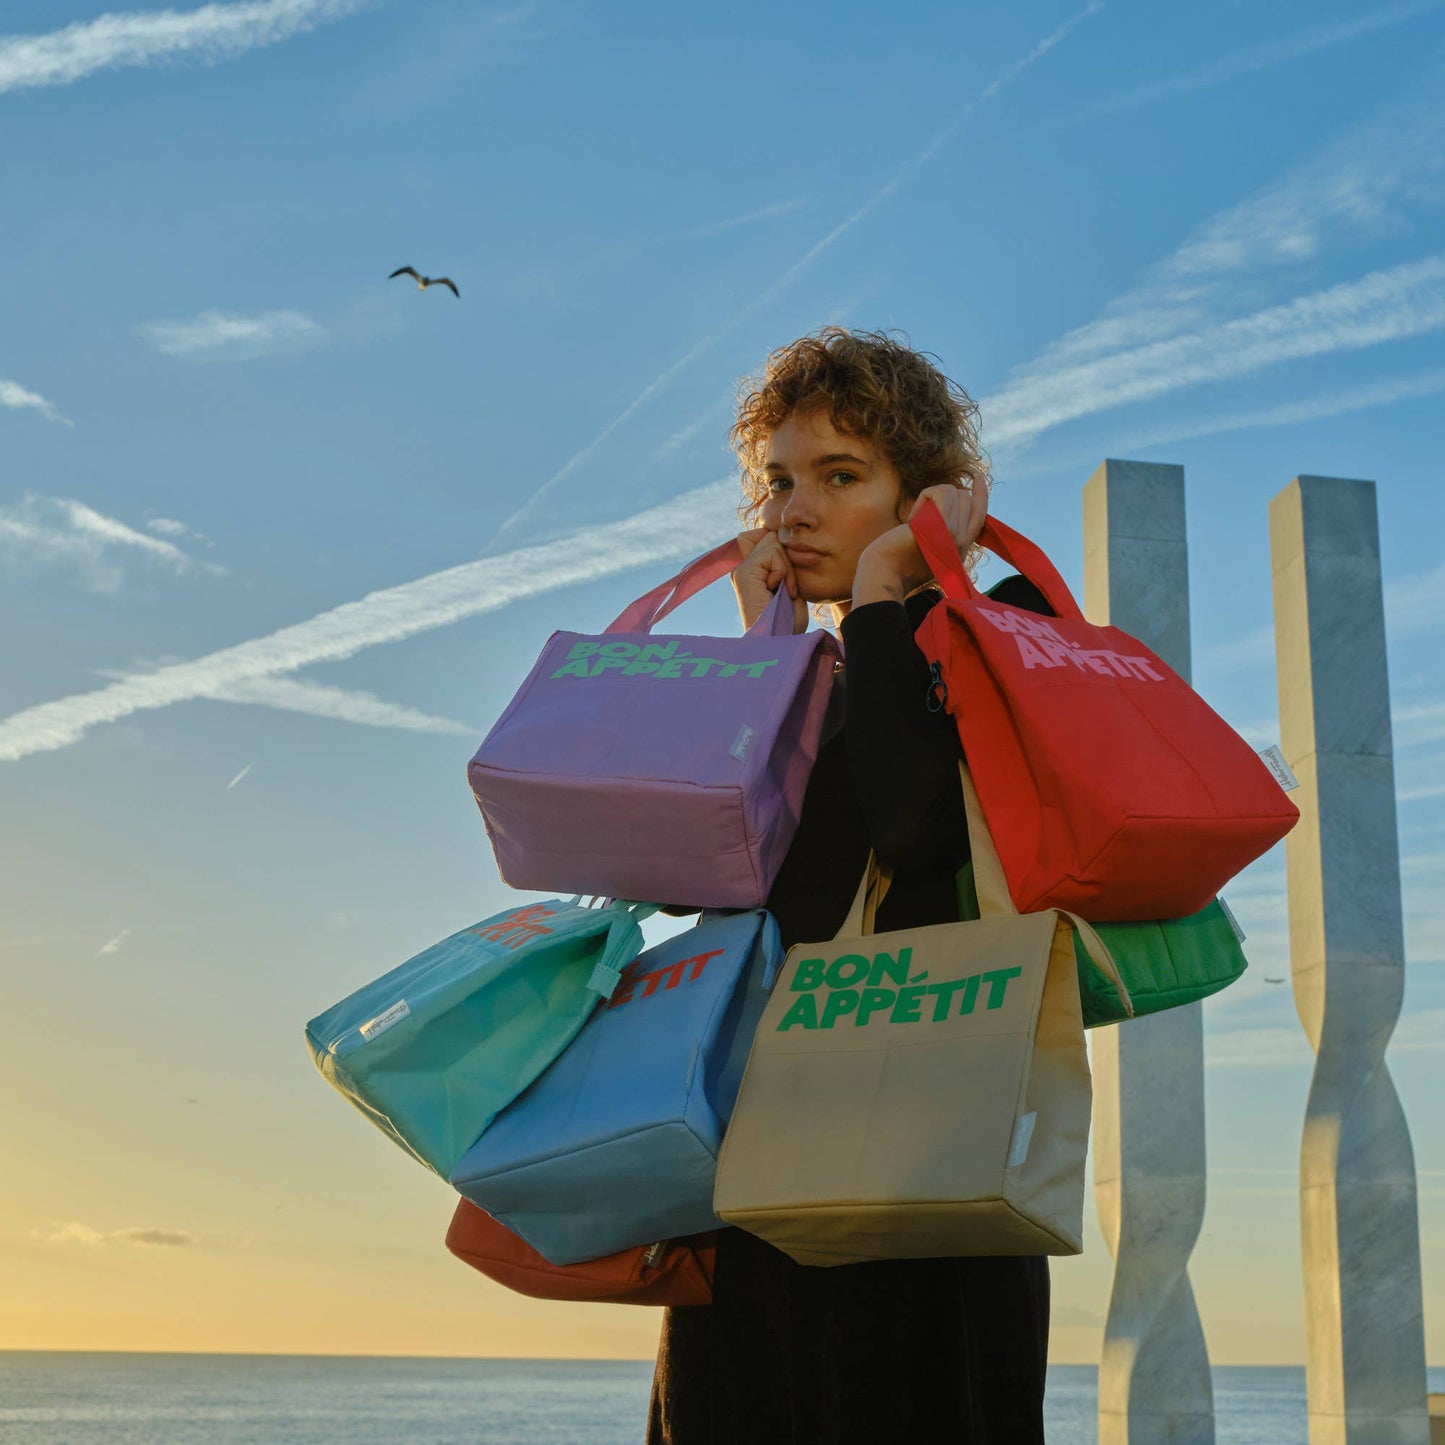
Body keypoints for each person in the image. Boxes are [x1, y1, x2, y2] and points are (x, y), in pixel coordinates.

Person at [646, 327, 1054, 1445]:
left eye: (839, 476)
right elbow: (738, 900)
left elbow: (919, 831)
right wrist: (760, 657)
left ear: (925, 498)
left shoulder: (1005, 626)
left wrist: (883, 594)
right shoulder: (812, 673)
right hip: (770, 1171)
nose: (795, 508)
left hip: (928, 1178)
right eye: (779, 478)